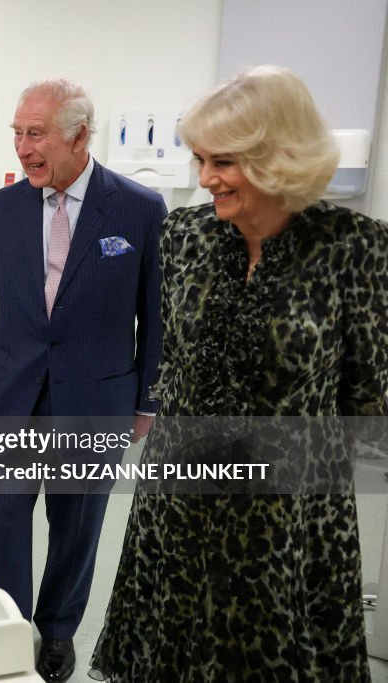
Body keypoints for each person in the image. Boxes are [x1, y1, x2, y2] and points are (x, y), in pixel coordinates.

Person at [90, 65, 388, 682]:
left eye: (222, 162)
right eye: (200, 159)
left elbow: (368, 399)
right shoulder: (185, 235)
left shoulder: (354, 247)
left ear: (279, 157)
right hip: (178, 499)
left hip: (287, 515)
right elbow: (175, 358)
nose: (205, 180)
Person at [0, 78, 165, 681]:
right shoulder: (5, 207)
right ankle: (5, 626)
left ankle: (57, 631)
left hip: (96, 393)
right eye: (17, 133)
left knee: (76, 522)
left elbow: (155, 314)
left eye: (36, 135)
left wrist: (147, 400)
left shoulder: (138, 208)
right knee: (3, 515)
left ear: (80, 136)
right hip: (14, 390)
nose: (23, 148)